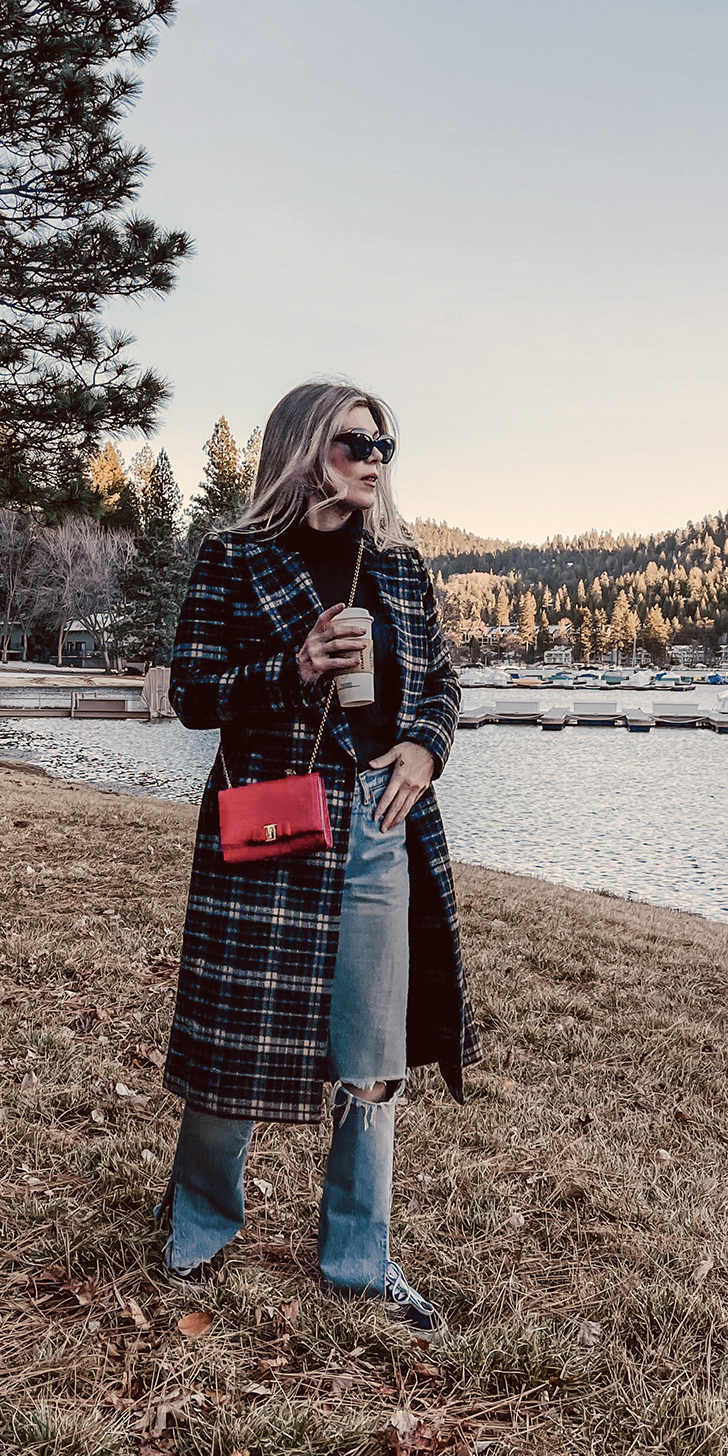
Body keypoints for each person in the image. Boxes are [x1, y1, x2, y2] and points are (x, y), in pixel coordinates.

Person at [158, 381, 479, 1333]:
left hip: (382, 825)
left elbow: (445, 680)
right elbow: (192, 689)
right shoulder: (238, 555)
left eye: (386, 442)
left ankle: (358, 1257)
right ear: (304, 448)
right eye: (354, 441)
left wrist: (425, 744)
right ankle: (201, 1227)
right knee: (237, 1043)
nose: (375, 457)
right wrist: (292, 669)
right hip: (272, 820)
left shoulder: (401, 566)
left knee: (374, 1055)